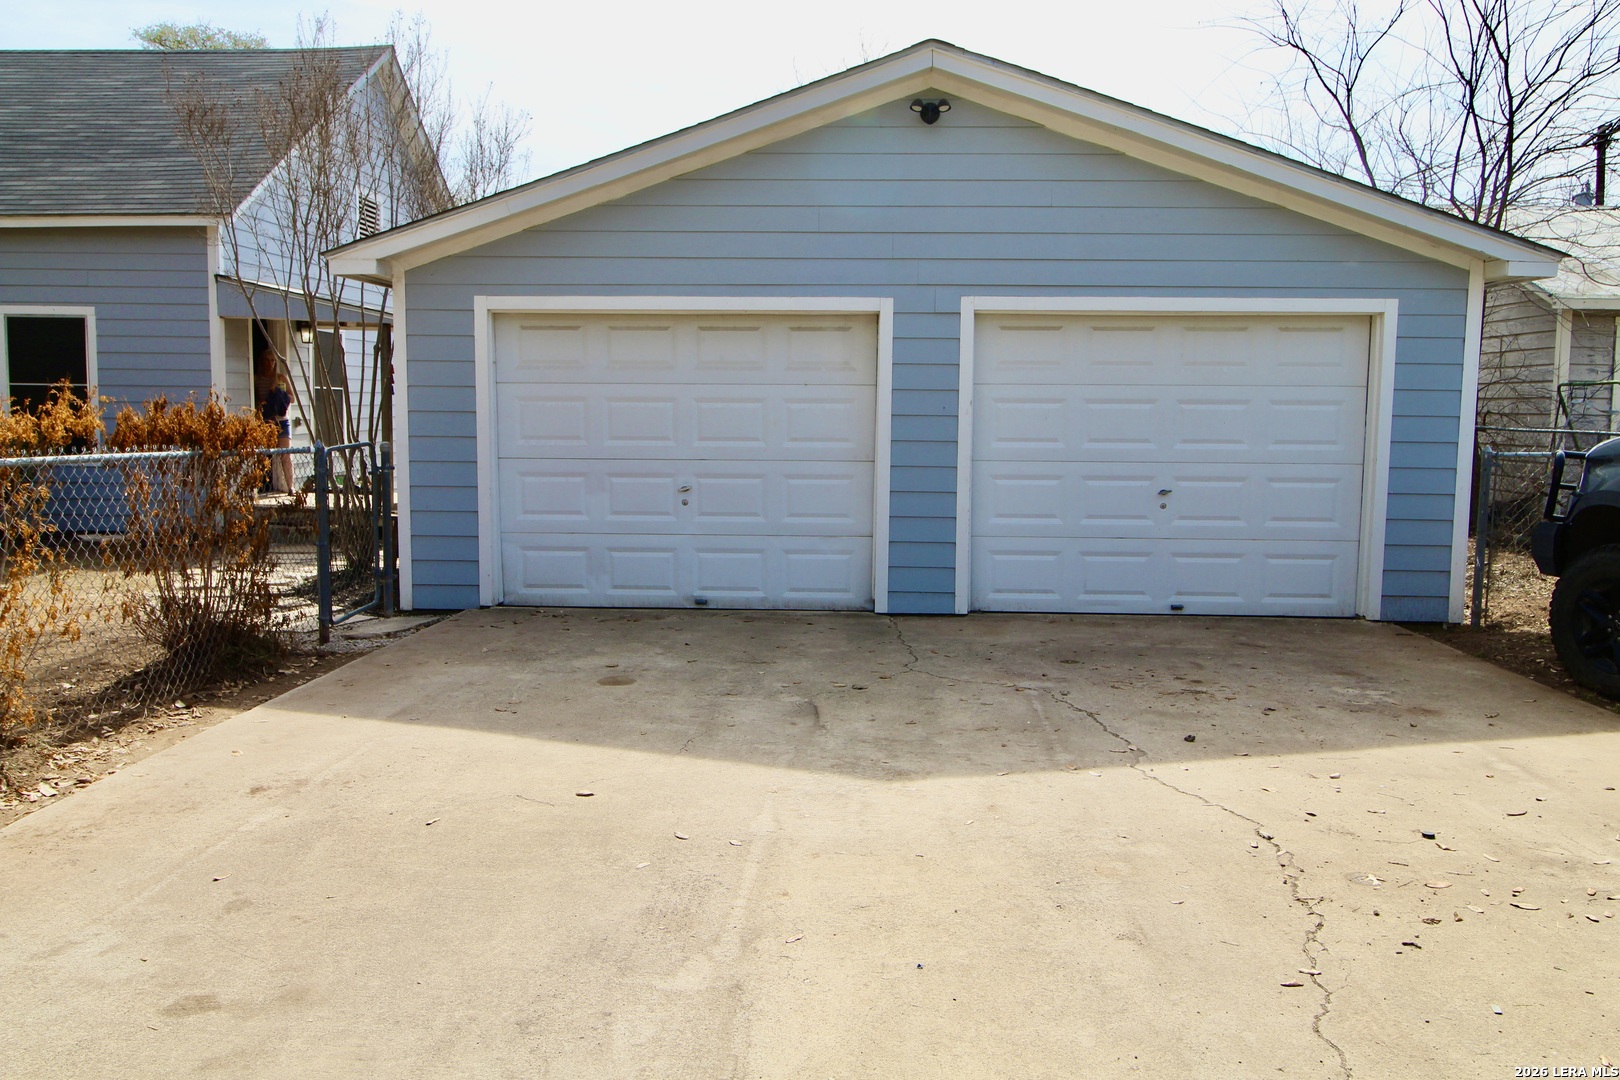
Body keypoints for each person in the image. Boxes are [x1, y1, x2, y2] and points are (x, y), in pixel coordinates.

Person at [261, 368, 295, 494]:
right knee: (265, 454)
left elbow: (292, 399)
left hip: (283, 422)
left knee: (285, 455)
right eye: (267, 361)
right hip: (267, 422)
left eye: (272, 361)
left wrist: (281, 393)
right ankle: (263, 486)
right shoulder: (259, 379)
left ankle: (290, 487)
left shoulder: (282, 378)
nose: (269, 364)